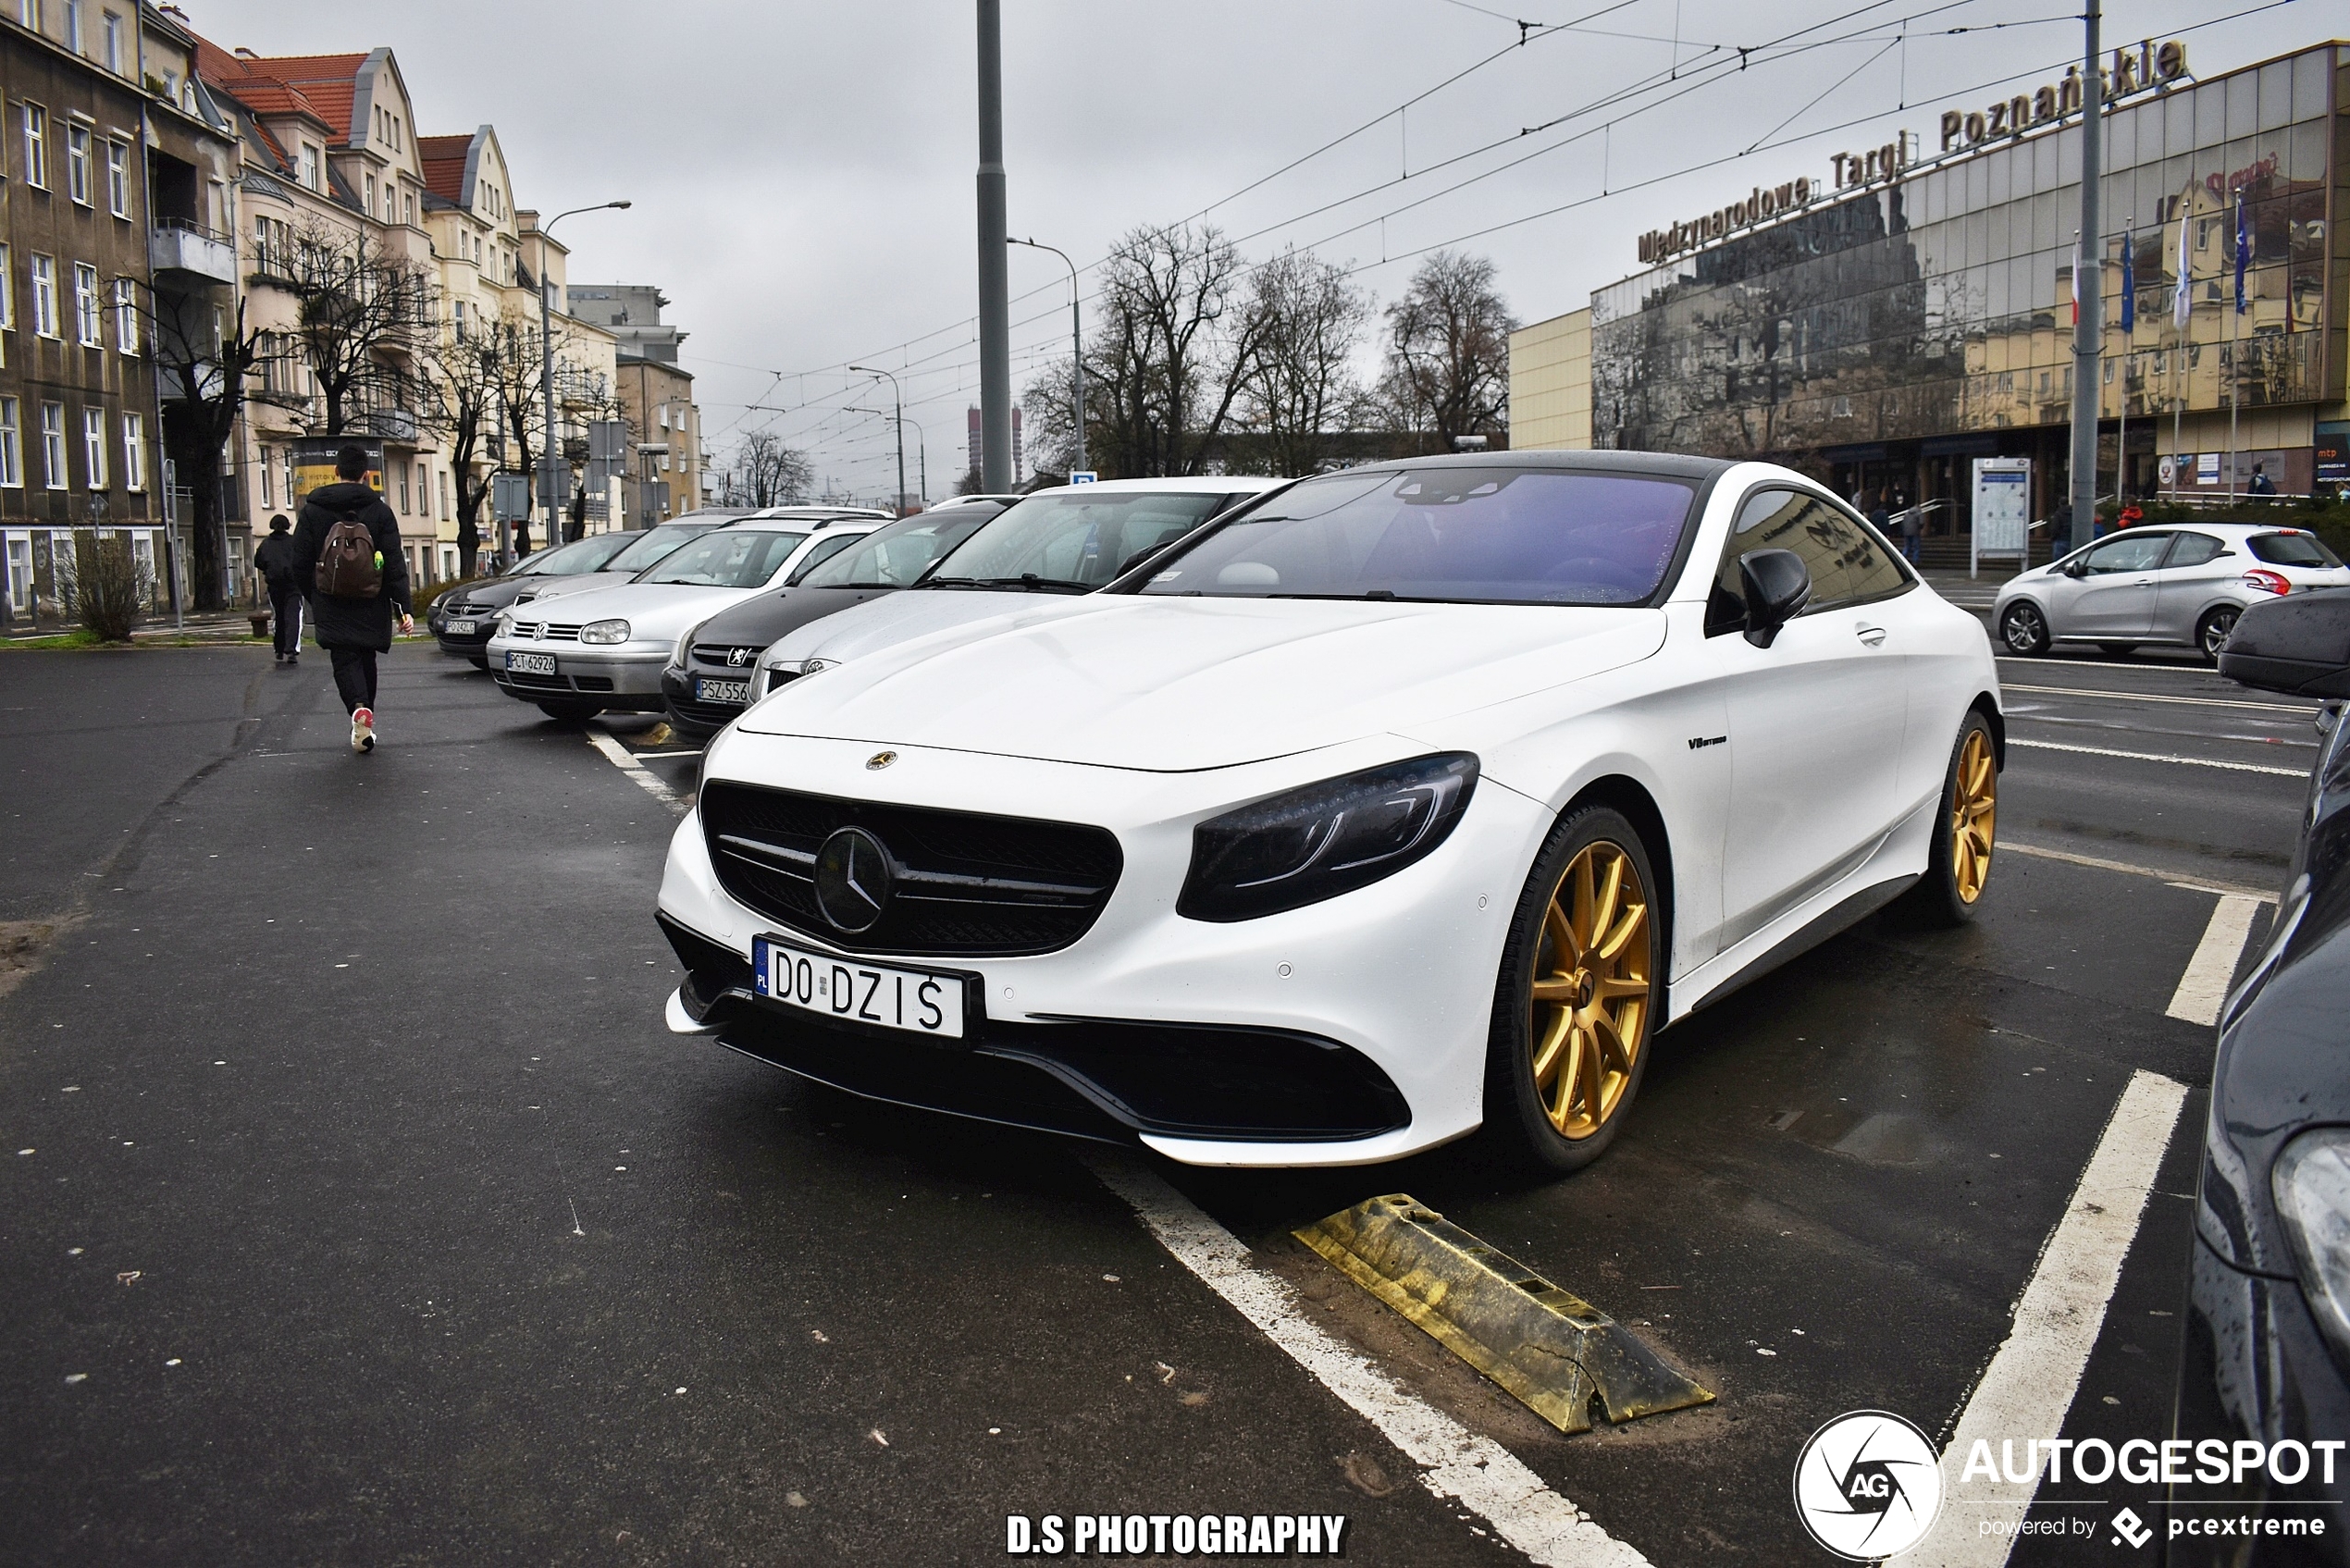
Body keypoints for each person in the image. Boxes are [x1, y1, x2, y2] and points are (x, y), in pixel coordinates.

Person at [291, 445, 411, 754]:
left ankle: (358, 710)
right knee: (366, 655)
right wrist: (403, 608)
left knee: (344, 658)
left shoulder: (313, 510)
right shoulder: (380, 511)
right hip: (372, 598)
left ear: (336, 472)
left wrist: (314, 595)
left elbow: (300, 561)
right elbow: (394, 561)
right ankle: (364, 715)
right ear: (367, 475)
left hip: (330, 598)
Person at [253, 513, 304, 664]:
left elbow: (259, 562)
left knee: (279, 617)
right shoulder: (293, 542)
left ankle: (279, 649)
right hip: (292, 585)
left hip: (274, 585)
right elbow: (301, 560)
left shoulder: (266, 544)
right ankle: (292, 650)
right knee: (293, 617)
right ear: (287, 526)